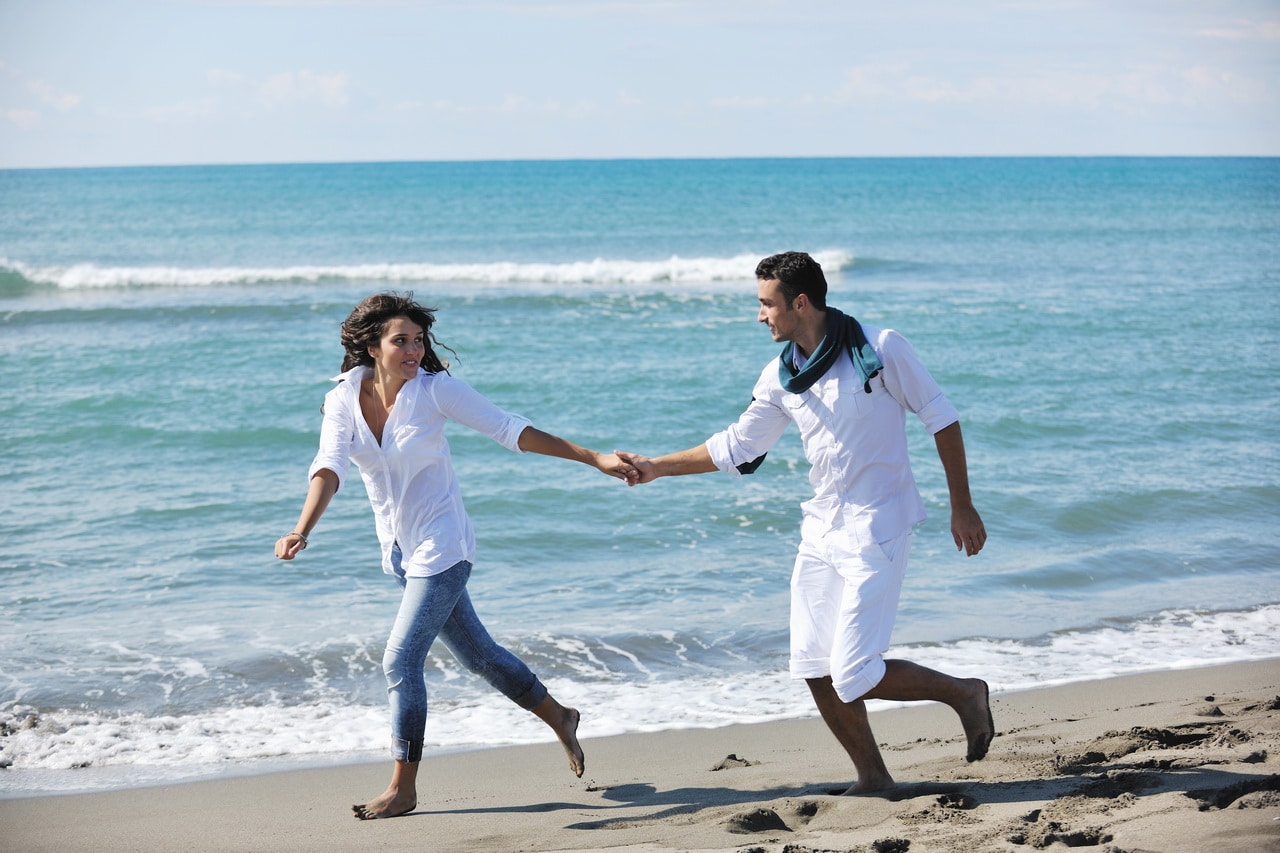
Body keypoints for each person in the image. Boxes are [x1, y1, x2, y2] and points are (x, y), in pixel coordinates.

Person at [616, 251, 993, 796]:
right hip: (821, 529)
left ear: (799, 302)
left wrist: (962, 504)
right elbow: (740, 446)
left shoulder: (881, 349)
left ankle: (963, 693)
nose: (759, 316)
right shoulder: (781, 375)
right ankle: (874, 779)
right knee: (813, 666)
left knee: (853, 671)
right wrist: (657, 468)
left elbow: (942, 416)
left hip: (879, 523)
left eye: (766, 304)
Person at [275, 292, 637, 819]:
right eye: (401, 341)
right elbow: (329, 466)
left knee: (400, 660)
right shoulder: (341, 399)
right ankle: (560, 716)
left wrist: (593, 457)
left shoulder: (435, 392)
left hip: (444, 546)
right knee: (480, 657)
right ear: (371, 346)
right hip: (400, 552)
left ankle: (403, 787)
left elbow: (511, 429)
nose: (414, 350)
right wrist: (301, 528)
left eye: (418, 340)